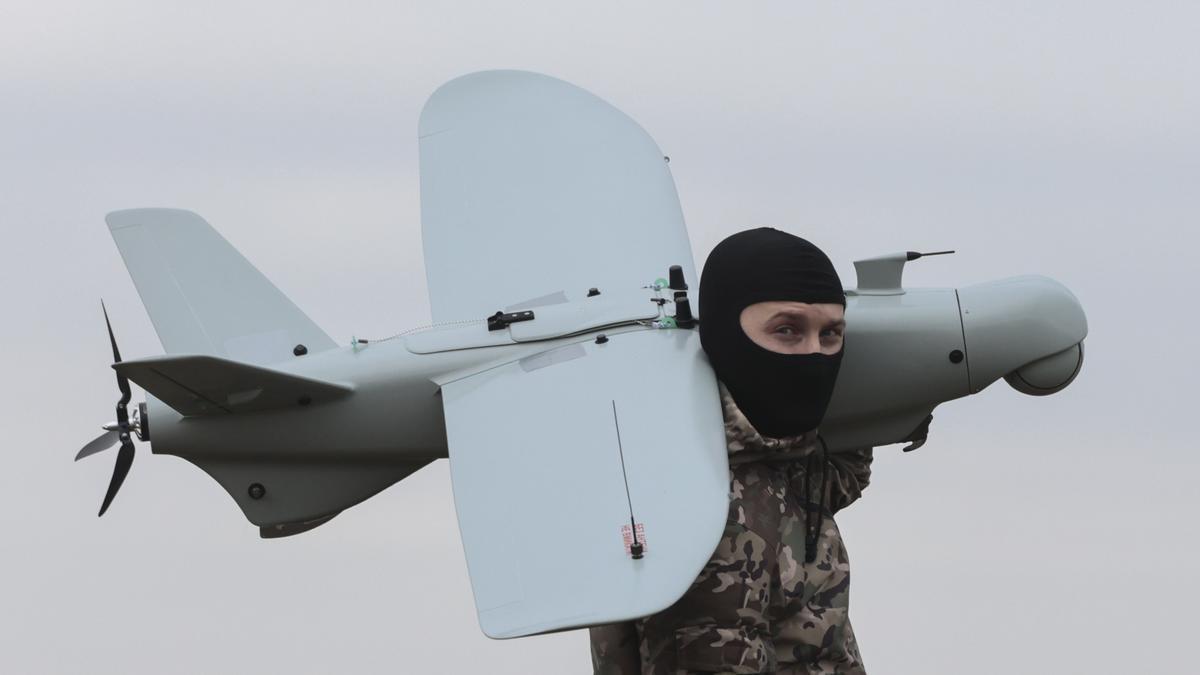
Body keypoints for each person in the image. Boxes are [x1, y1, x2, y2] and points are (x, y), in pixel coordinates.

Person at [590, 227, 873, 674]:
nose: (814, 354)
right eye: (787, 330)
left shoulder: (775, 462)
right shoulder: (699, 498)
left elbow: (837, 475)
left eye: (831, 334)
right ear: (725, 335)